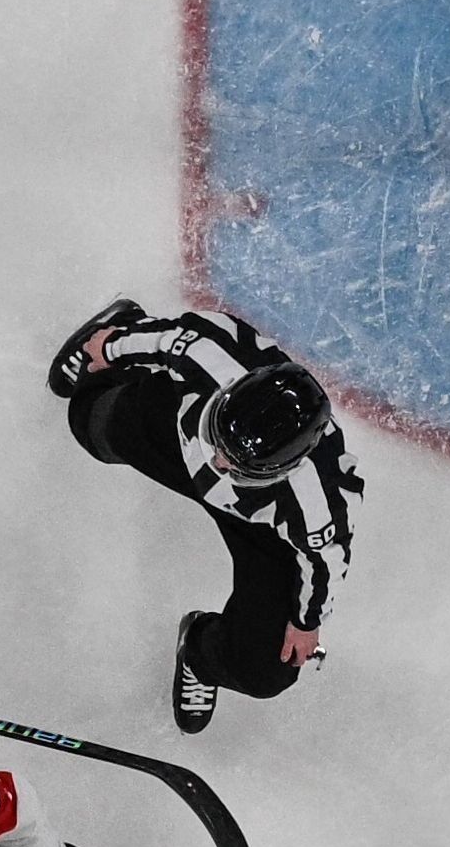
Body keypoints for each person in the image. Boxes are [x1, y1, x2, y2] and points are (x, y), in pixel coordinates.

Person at [46, 298, 361, 733]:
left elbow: (325, 562)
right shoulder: (209, 354)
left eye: (236, 464)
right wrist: (113, 345)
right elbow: (167, 342)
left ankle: (199, 651)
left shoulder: (316, 503)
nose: (217, 462)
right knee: (88, 422)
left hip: (259, 523)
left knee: (266, 669)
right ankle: (121, 327)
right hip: (182, 432)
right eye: (221, 443)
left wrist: (306, 622)